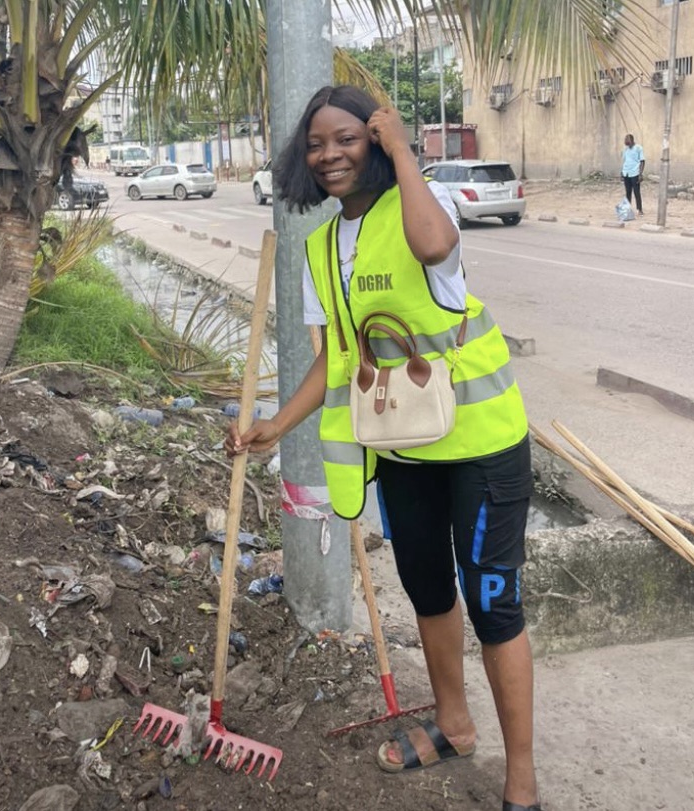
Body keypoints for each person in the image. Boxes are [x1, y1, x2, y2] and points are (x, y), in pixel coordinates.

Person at [225, 85, 541, 811]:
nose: (329, 153)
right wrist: (277, 424)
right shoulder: (320, 244)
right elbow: (336, 354)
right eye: (315, 143)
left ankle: (520, 776)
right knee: (429, 590)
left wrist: (405, 151)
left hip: (482, 442)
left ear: (375, 138)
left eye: (348, 138)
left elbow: (435, 248)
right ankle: (454, 725)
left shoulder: (421, 205)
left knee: (493, 604)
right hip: (402, 448)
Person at [621, 134, 645, 215]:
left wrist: (640, 174)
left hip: (635, 173)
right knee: (628, 192)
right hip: (626, 173)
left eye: (629, 143)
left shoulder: (639, 148)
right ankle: (627, 209)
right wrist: (622, 172)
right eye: (626, 144)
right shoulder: (625, 149)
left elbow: (642, 161)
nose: (628, 145)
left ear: (632, 141)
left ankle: (639, 209)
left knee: (636, 192)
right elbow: (625, 161)